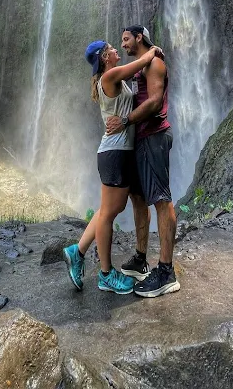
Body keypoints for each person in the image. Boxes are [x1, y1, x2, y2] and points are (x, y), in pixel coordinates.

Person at [63, 39, 160, 294]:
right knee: (109, 213)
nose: (118, 49)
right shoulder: (111, 76)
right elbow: (140, 63)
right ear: (105, 57)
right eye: (112, 49)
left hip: (120, 152)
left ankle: (77, 251)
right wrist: (152, 50)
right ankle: (105, 274)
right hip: (114, 152)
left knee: (108, 209)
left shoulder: (110, 78)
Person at [106, 25, 180, 298]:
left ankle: (166, 271)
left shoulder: (155, 63)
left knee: (161, 199)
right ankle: (140, 259)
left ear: (139, 37)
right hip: (140, 140)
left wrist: (125, 121)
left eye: (126, 39)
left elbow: (155, 100)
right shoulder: (142, 64)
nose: (122, 44)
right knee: (138, 197)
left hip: (154, 137)